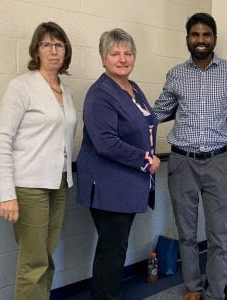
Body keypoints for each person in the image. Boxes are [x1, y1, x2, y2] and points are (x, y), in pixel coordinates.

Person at [153, 12, 227, 300]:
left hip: (219, 162)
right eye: (195, 34)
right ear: (187, 40)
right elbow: (158, 111)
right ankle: (193, 288)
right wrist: (130, 113)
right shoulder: (176, 74)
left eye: (206, 35)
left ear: (214, 39)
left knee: (219, 236)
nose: (201, 40)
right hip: (182, 162)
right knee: (187, 232)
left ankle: (215, 293)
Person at [0, 22, 77, 299]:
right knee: (33, 262)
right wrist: (7, 194)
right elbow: (2, 140)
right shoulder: (21, 87)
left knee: (46, 256)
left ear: (66, 50)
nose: (54, 51)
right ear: (37, 50)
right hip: (29, 186)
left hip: (59, 183)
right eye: (47, 45)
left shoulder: (66, 91)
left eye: (59, 44)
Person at [76, 28, 160, 299]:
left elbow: (144, 126)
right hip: (108, 187)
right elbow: (105, 142)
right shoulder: (100, 93)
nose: (122, 58)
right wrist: (145, 160)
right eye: (115, 53)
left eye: (128, 53)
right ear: (103, 58)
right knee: (112, 252)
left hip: (128, 184)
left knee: (116, 248)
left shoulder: (132, 88)